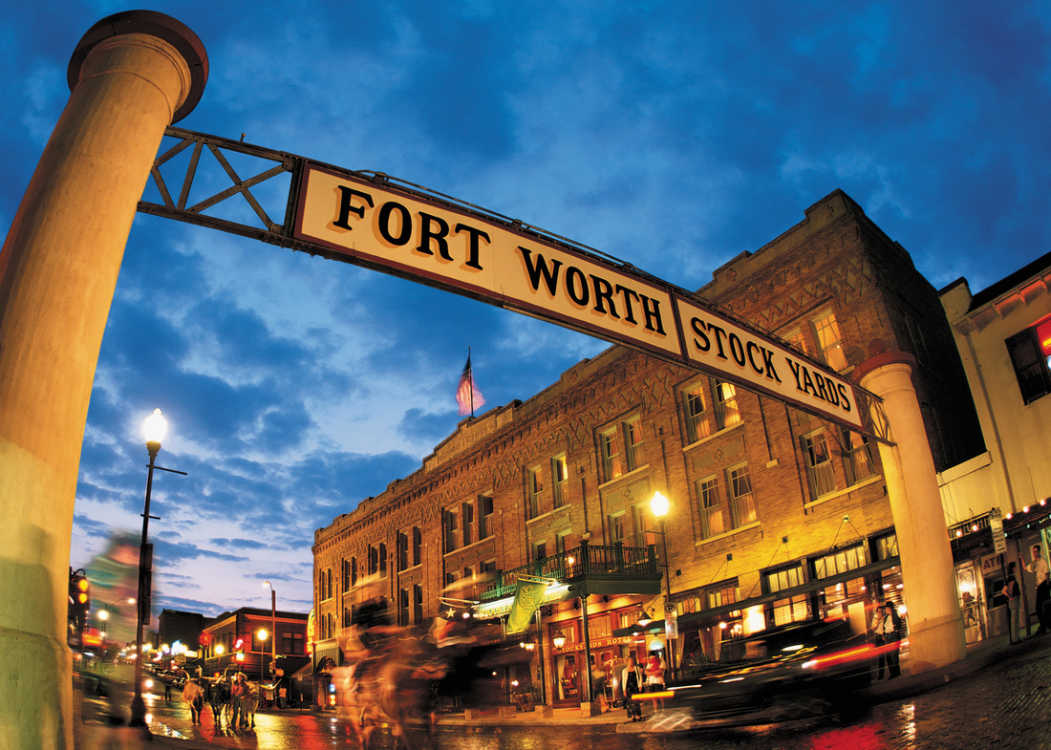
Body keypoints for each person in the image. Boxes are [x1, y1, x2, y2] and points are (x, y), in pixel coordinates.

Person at [871, 602, 901, 679]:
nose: (883, 611)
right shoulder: (878, 618)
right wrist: (878, 621)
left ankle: (895, 673)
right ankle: (885, 674)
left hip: (892, 636)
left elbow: (898, 622)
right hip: (883, 638)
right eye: (879, 611)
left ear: (889, 608)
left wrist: (896, 630)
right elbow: (873, 628)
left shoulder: (892, 616)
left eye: (884, 610)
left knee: (893, 656)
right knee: (885, 657)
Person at [1025, 544, 1049, 635]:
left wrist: (1046, 584)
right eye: (1033, 552)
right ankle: (1043, 626)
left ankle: (1043, 626)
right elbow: (1027, 568)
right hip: (1039, 586)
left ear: (1039, 551)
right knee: (1040, 608)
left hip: (1043, 585)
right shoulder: (1035, 563)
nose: (1034, 553)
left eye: (1036, 551)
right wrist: (1022, 559)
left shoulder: (1043, 562)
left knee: (1040, 607)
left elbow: (1047, 573)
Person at [1002, 561, 1022, 644]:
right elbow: (1008, 589)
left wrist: (1009, 596)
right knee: (1015, 619)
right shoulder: (1012, 578)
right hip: (1014, 600)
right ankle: (1015, 638)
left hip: (1012, 600)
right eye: (1015, 567)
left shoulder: (1009, 577)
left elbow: (1003, 591)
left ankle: (1015, 638)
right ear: (1013, 568)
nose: (1016, 568)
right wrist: (1011, 596)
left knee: (1014, 619)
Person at [621, 654, 644, 722]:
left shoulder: (636, 669)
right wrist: (624, 690)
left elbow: (640, 677)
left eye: (632, 661)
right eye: (630, 661)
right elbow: (624, 680)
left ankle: (638, 715)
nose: (631, 662)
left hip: (635, 687)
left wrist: (640, 686)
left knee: (636, 702)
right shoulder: (624, 671)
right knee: (630, 703)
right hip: (628, 688)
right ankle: (632, 716)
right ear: (627, 662)